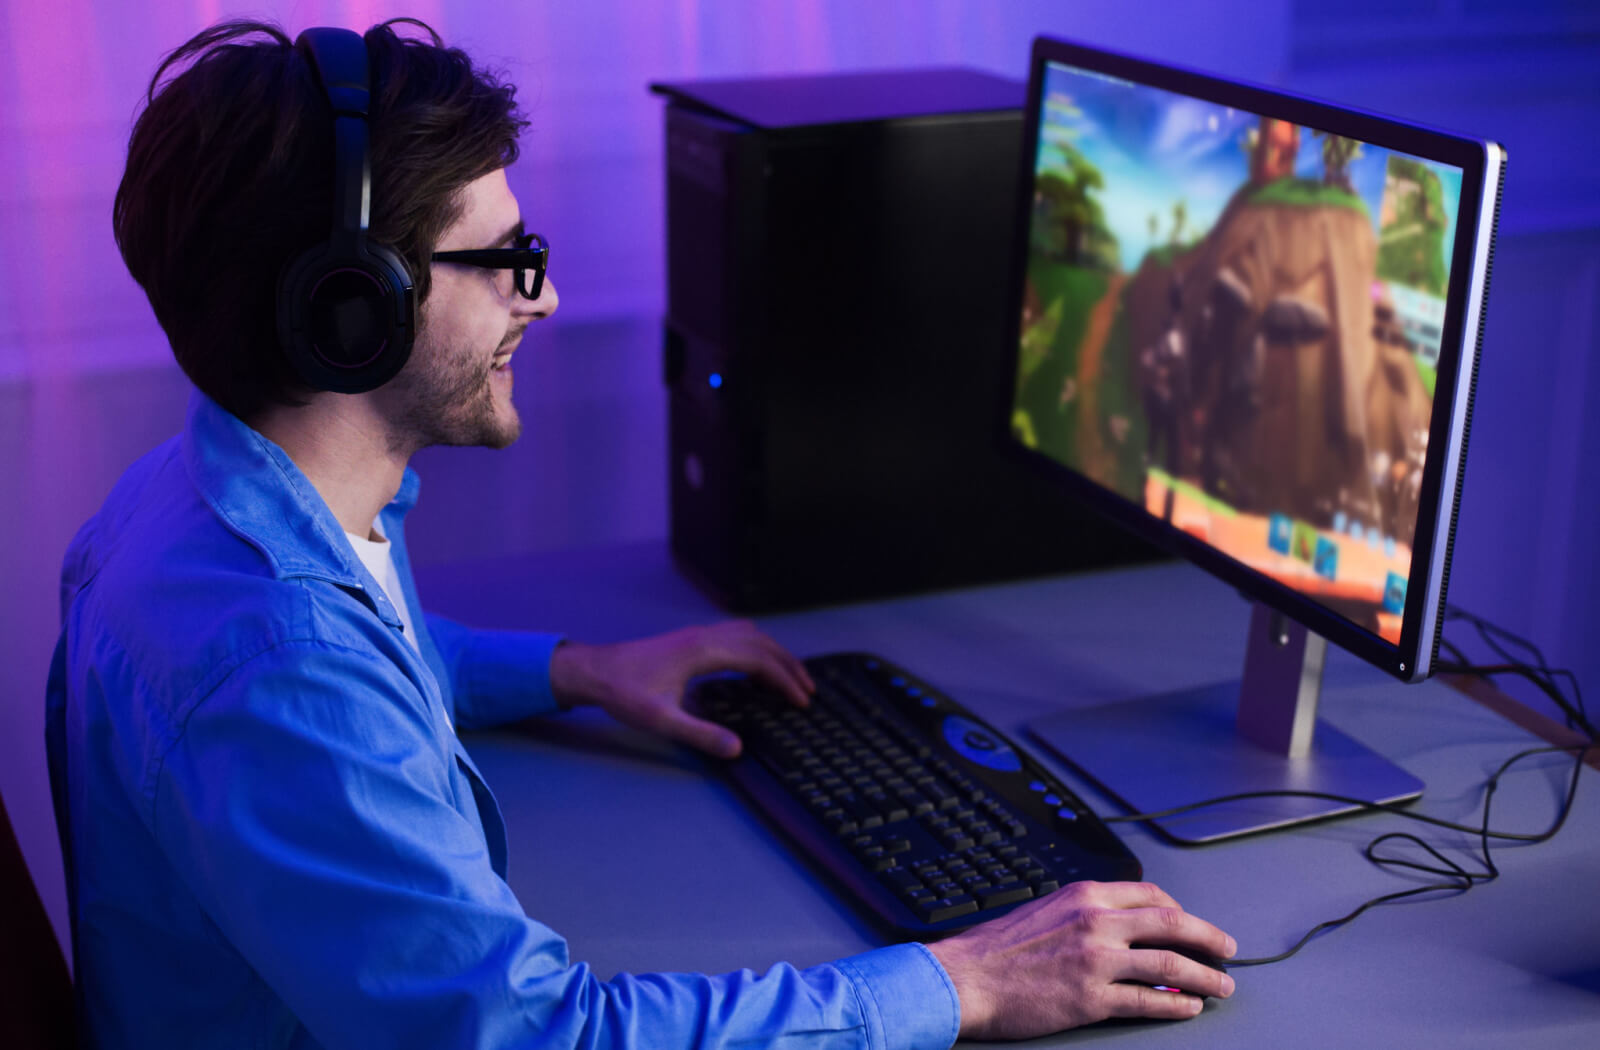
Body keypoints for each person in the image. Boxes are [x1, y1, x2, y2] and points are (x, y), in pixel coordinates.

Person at [45, 19, 1236, 1048]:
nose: (544, 297)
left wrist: (581, 670)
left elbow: (383, 663)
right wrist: (963, 980)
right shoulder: (278, 665)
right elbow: (543, 1037)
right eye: (506, 259)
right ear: (354, 309)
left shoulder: (205, 497)